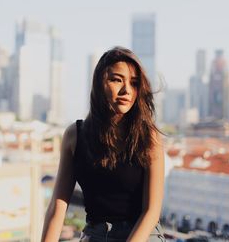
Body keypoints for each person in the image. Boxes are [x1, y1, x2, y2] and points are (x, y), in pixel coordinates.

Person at [41, 46, 165, 242]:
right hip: (96, 235)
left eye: (134, 83)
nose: (126, 90)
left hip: (142, 235)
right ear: (99, 83)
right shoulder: (75, 135)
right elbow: (58, 206)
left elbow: (151, 211)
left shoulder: (149, 138)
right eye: (116, 80)